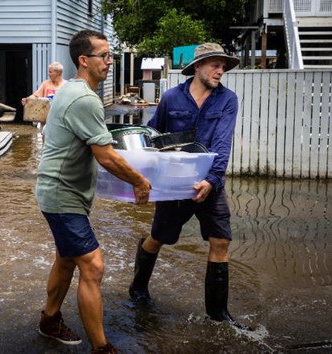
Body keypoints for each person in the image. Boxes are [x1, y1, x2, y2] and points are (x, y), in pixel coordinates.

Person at [35, 30, 151, 353]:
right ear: (84, 60)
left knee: (67, 260)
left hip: (55, 190)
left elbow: (53, 140)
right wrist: (139, 181)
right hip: (62, 196)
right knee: (93, 265)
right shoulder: (85, 98)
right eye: (104, 56)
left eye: (111, 56)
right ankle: (102, 348)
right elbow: (106, 155)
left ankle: (49, 320)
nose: (110, 62)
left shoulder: (71, 91)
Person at [128, 43, 248, 330]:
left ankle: (218, 313)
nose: (221, 71)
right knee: (160, 236)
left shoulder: (227, 100)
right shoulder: (171, 98)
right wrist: (144, 172)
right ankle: (138, 288)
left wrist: (212, 179)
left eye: (223, 66)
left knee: (220, 240)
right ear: (198, 67)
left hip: (210, 182)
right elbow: (154, 136)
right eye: (215, 65)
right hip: (175, 184)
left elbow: (222, 142)